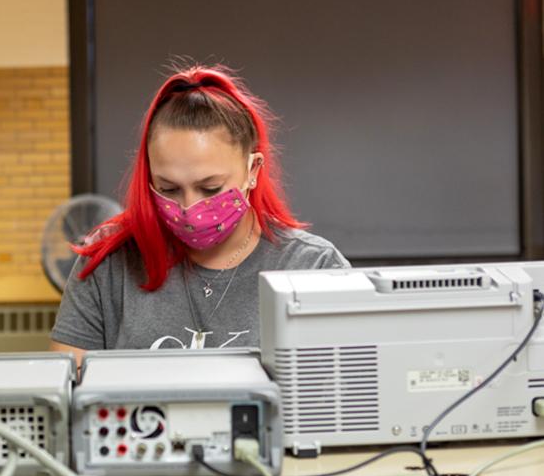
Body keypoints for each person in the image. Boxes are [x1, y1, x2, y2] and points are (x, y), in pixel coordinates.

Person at [50, 65, 349, 363]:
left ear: (253, 170)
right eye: (168, 189)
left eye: (210, 188)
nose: (188, 209)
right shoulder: (109, 264)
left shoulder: (313, 268)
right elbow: (70, 396)